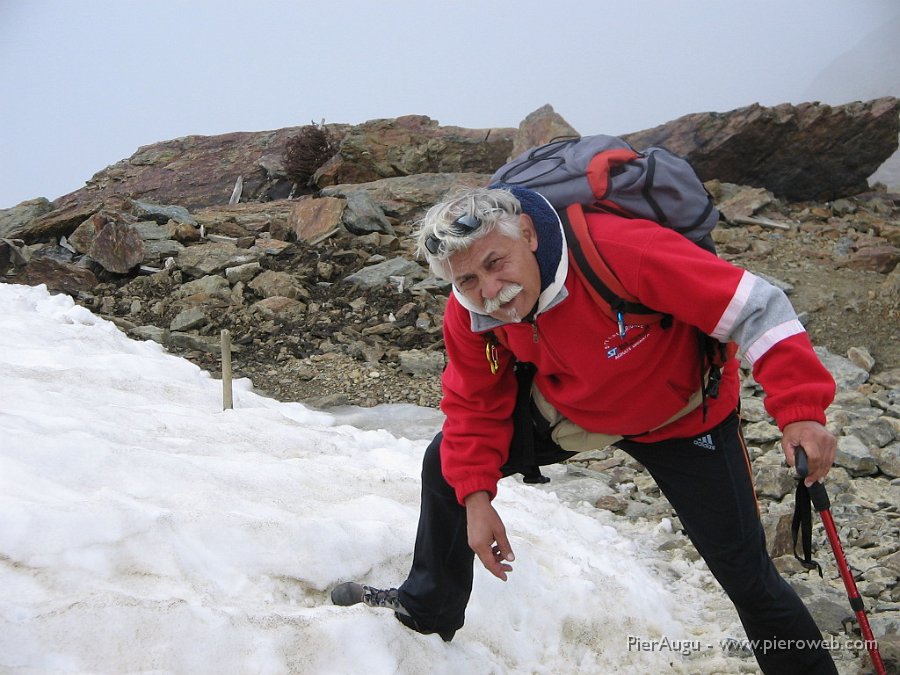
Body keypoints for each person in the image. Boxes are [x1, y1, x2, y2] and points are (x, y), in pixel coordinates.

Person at [332, 185, 839, 674]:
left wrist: (799, 410)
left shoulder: (621, 251)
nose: (490, 292)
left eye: (495, 263)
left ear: (528, 234)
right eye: (465, 280)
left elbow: (757, 307)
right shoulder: (471, 313)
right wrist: (476, 498)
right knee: (447, 466)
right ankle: (426, 612)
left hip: (680, 416)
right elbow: (474, 403)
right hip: (575, 407)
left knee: (749, 580)